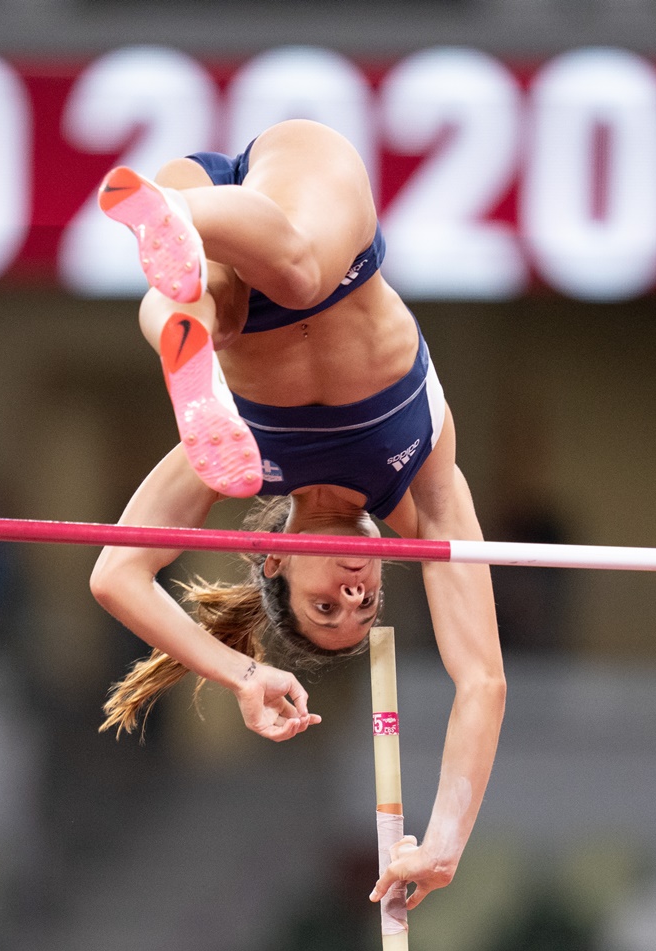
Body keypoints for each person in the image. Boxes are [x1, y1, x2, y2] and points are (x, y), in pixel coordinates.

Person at [86, 120, 506, 910]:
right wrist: (445, 843)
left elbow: (116, 575)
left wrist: (241, 674)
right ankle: (178, 268)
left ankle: (183, 310)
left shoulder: (247, 462)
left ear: (274, 558)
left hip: (229, 224)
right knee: (294, 280)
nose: (353, 591)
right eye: (367, 602)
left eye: (326, 604)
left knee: (216, 304)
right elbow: (481, 678)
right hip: (302, 223)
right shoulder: (425, 483)